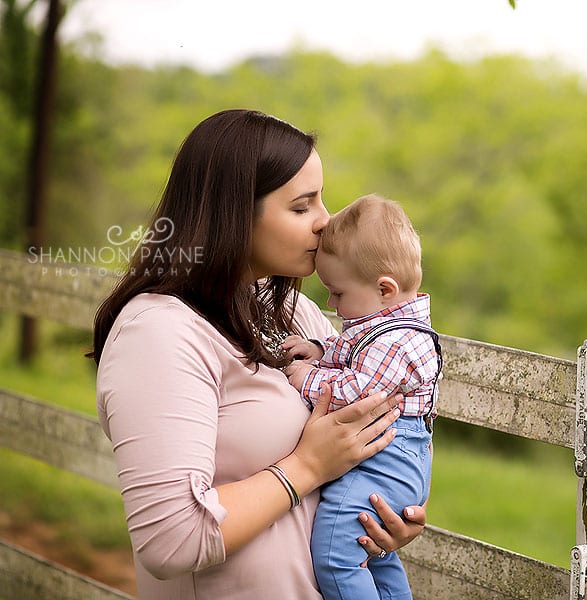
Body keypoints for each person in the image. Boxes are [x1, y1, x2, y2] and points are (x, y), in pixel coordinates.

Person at [90, 109, 428, 599]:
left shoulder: (294, 313)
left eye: (321, 200)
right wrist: (307, 467)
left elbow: (386, 415)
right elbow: (170, 541)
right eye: (301, 207)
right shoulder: (158, 333)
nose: (325, 222)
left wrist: (388, 513)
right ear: (231, 213)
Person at [281, 193, 440, 600]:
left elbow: (356, 395)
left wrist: (304, 377)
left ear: (384, 288)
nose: (331, 305)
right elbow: (351, 353)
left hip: (385, 462)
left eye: (337, 293)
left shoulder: (401, 341)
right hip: (383, 462)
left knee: (337, 557)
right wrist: (320, 351)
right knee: (375, 556)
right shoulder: (381, 325)